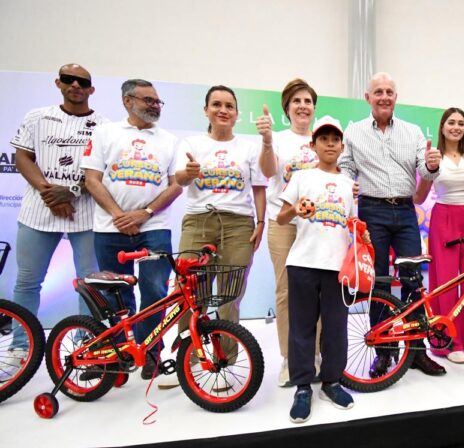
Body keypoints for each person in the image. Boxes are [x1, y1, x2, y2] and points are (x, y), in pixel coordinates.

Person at [157, 85, 267, 389]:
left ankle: (223, 363)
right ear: (206, 110)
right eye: (216, 104)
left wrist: (260, 221)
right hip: (198, 221)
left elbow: (259, 187)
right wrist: (187, 174)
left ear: (236, 114)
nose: (223, 110)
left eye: (229, 106)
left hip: (238, 224)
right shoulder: (190, 143)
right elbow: (179, 180)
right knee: (190, 294)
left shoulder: (248, 148)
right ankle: (187, 364)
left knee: (229, 295)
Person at [338, 72, 446, 378]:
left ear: (396, 97)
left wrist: (433, 165)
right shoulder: (354, 131)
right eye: (378, 92)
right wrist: (347, 184)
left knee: (413, 282)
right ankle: (385, 352)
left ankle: (417, 353)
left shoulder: (412, 132)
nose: (384, 96)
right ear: (367, 97)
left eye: (389, 92)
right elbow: (346, 167)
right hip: (372, 212)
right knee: (379, 283)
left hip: (406, 211)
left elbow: (423, 169)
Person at [6, 64, 108, 374]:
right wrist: (49, 193)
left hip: (86, 214)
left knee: (90, 284)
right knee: (27, 282)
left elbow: (101, 170)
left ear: (91, 89)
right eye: (69, 79)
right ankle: (20, 347)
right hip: (39, 212)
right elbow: (23, 157)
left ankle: (86, 346)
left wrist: (72, 192)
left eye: (83, 81)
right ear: (58, 83)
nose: (75, 84)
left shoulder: (104, 125)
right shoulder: (37, 117)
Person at [82, 79, 181, 379]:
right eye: (148, 100)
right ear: (127, 101)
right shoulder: (104, 133)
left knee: (154, 291)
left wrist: (145, 213)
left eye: (157, 101)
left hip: (154, 228)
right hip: (110, 229)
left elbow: (176, 185)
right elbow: (92, 180)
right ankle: (116, 356)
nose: (154, 105)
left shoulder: (170, 140)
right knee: (114, 296)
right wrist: (118, 214)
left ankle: (150, 351)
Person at [278, 115, 356, 423]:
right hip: (303, 263)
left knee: (336, 327)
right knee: (302, 327)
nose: (329, 144)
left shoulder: (350, 185)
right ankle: (302, 387)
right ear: (313, 145)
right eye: (323, 139)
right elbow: (282, 218)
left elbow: (351, 224)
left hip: (337, 267)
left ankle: (332, 382)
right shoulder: (301, 178)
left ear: (341, 146)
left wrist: (360, 234)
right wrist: (294, 210)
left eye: (334, 139)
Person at [257, 78, 320, 387]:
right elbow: (269, 172)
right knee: (287, 292)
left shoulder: (324, 140)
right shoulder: (279, 140)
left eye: (307, 101)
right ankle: (289, 358)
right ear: (287, 108)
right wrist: (267, 141)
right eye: (297, 101)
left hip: (317, 227)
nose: (303, 106)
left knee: (318, 292)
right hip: (282, 223)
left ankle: (316, 355)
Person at [414, 108, 464, 363]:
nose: (456, 127)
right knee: (444, 281)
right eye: (451, 123)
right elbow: (419, 197)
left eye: (461, 123)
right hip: (443, 217)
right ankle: (448, 340)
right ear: (442, 127)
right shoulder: (434, 156)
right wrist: (427, 168)